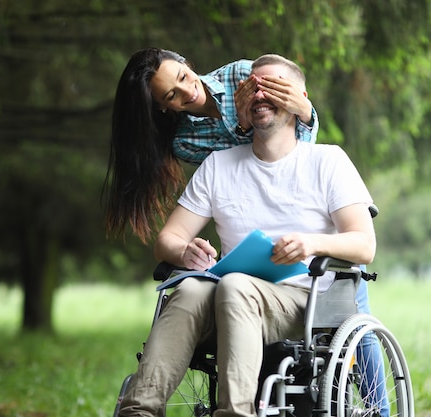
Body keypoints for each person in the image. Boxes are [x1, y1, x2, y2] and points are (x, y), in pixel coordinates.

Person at [117, 54, 388, 417]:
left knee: (236, 286)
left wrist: (312, 243)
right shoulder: (217, 164)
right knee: (190, 288)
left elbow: (364, 244)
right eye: (253, 88)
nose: (261, 94)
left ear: (297, 98)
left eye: (272, 87)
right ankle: (139, 411)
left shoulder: (328, 162)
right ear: (240, 98)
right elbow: (166, 240)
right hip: (232, 298)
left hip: (302, 302)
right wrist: (186, 253)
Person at [102, 47, 319, 244]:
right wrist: (242, 126)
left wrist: (305, 110)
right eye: (172, 95)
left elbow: (292, 143)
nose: (187, 91)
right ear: (162, 107)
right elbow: (234, 174)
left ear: (186, 64)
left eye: (183, 77)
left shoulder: (241, 75)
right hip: (253, 210)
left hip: (297, 188)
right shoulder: (185, 142)